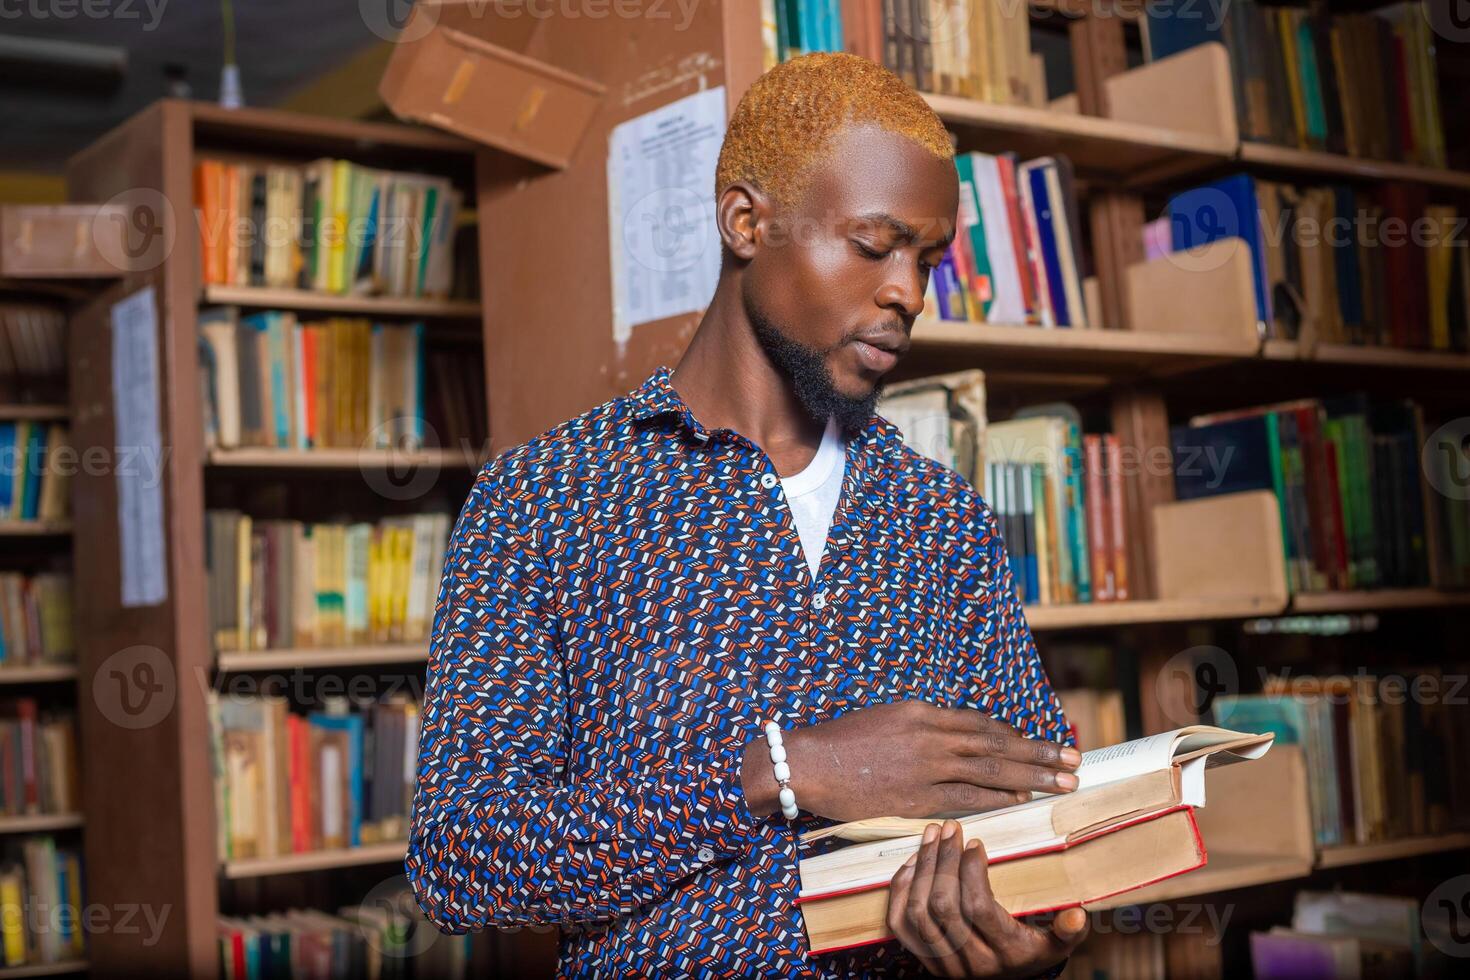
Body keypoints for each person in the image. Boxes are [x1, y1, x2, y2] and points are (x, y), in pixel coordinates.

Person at [407, 52, 1088, 978]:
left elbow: (1039, 824)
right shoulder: (545, 502)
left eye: (928, 259)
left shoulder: (945, 519)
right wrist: (782, 771)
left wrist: (1031, 948)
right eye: (872, 245)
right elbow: (464, 865)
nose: (908, 293)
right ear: (745, 221)